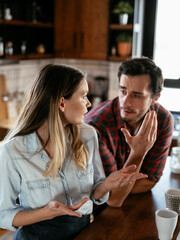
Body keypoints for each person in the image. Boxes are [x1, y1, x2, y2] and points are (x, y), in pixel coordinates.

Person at [0, 64, 148, 240]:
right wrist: (46, 213)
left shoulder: (88, 135)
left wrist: (107, 185)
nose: (89, 103)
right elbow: (3, 215)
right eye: (83, 96)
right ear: (62, 103)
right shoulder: (12, 150)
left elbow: (95, 191)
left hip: (84, 234)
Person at [85, 57, 174, 208]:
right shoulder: (96, 127)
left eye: (137, 95)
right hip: (97, 213)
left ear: (155, 98)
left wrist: (118, 187)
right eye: (123, 91)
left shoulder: (163, 120)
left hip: (138, 205)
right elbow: (112, 199)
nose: (125, 102)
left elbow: (150, 180)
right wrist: (138, 152)